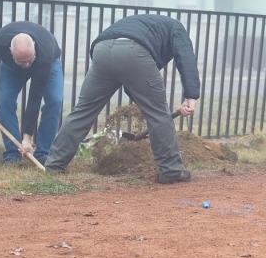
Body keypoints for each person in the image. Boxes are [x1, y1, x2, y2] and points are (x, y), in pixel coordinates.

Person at [45, 14, 199, 183]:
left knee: (83, 110)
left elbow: (133, 80)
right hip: (133, 50)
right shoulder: (177, 28)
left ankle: (54, 165)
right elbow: (186, 58)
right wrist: (191, 96)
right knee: (159, 114)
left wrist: (147, 102)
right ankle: (171, 170)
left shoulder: (144, 23)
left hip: (102, 50)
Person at [0, 21, 63, 165]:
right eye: (22, 61)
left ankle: (43, 154)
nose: (27, 65)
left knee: (54, 101)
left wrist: (27, 138)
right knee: (5, 101)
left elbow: (34, 98)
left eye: (29, 60)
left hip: (49, 63)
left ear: (34, 45)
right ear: (10, 51)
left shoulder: (44, 53)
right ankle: (13, 154)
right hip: (12, 69)